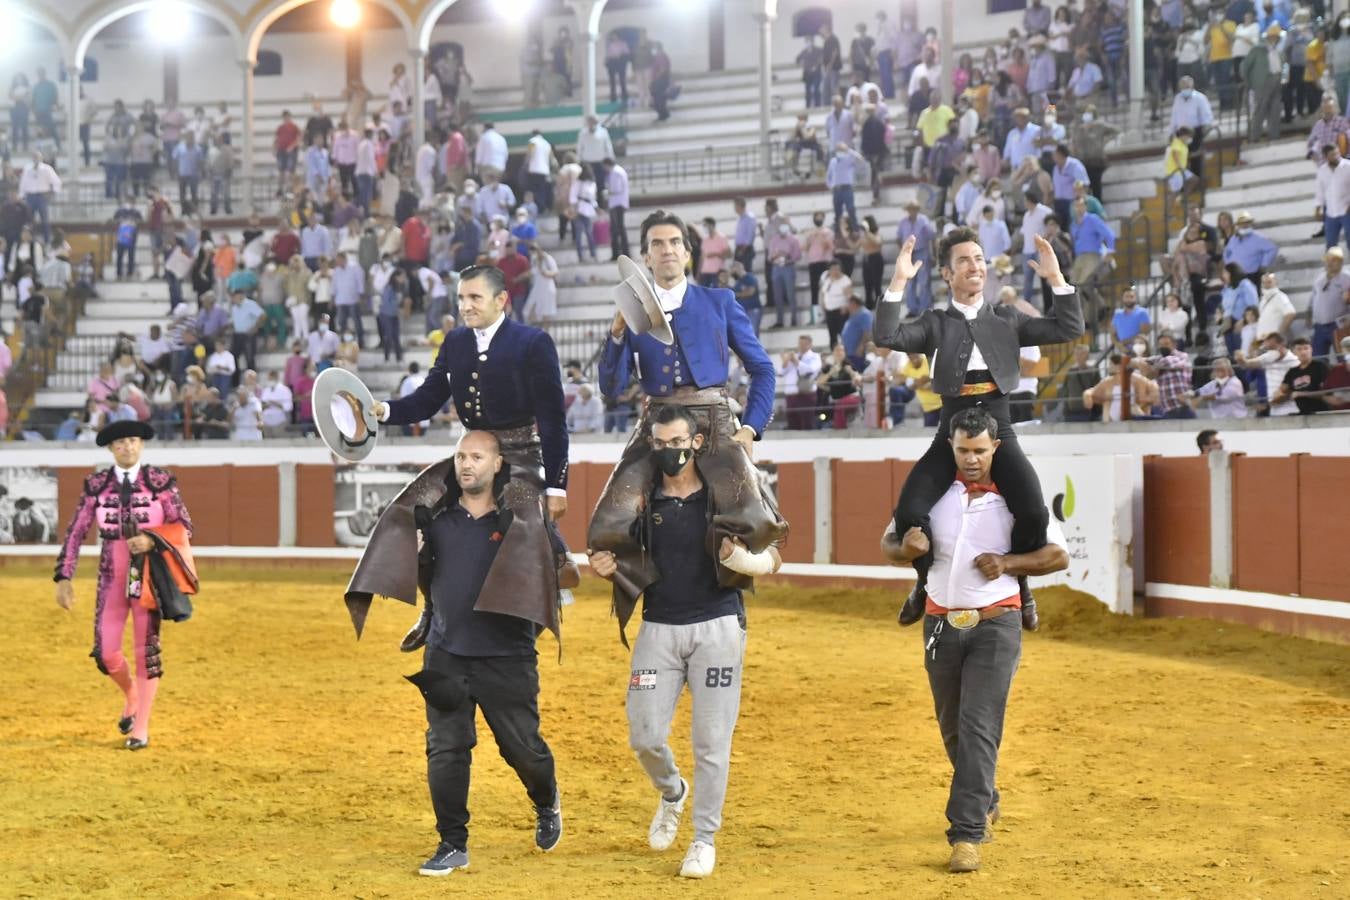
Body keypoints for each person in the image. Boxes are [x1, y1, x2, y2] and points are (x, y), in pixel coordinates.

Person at [589, 405, 782, 879]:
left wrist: (748, 562)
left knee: (712, 742)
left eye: (678, 442)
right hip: (659, 630)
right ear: (650, 444)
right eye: (660, 444)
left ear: (696, 442)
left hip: (718, 627)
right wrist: (607, 569)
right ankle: (673, 791)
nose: (670, 451)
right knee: (645, 734)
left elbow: (776, 548)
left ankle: (703, 838)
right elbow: (615, 551)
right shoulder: (641, 498)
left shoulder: (728, 494)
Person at [882, 407, 1069, 874]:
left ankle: (966, 833)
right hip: (940, 624)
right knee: (953, 728)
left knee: (978, 725)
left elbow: (1057, 555)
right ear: (950, 447)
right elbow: (889, 543)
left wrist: (1008, 564)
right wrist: (905, 551)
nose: (971, 459)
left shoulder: (1019, 496)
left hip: (996, 622)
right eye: (963, 450)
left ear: (995, 448)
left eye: (980, 451)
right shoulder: (929, 496)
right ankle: (986, 796)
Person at [591, 210, 787, 641]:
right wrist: (619, 332)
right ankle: (634, 580)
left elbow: (762, 369)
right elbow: (611, 386)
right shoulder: (632, 314)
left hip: (713, 416)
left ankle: (755, 562)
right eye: (657, 244)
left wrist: (751, 428)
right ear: (645, 256)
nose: (667, 250)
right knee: (613, 510)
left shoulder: (720, 302)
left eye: (674, 242)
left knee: (750, 504)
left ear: (687, 252)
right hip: (658, 420)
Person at [357, 265, 573, 653]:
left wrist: (557, 485)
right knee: (410, 510)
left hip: (519, 454)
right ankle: (432, 606)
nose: (465, 306)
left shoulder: (532, 342)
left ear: (501, 299)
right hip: (470, 453)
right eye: (461, 298)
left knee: (525, 520)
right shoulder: (455, 342)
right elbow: (427, 399)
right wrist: (385, 411)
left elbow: (553, 420)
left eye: (474, 297)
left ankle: (549, 582)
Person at [876, 228, 1082, 632]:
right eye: (965, 261)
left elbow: (1068, 329)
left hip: (1000, 429)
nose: (975, 266)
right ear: (946, 275)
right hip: (949, 433)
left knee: (1033, 512)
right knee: (909, 513)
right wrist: (899, 280)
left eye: (980, 259)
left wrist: (1056, 279)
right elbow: (886, 335)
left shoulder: (1007, 318)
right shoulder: (935, 323)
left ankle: (1020, 585)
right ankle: (923, 582)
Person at [404, 430, 566, 876]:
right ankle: (452, 843)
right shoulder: (434, 519)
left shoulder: (523, 519)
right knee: (445, 749)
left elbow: (561, 571)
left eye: (477, 456)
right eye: (460, 456)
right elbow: (415, 571)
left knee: (522, 749)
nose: (466, 464)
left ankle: (545, 798)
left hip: (507, 655)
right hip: (445, 652)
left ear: (497, 465)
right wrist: (411, 555)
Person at [53, 420, 195, 750]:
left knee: (147, 651)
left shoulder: (160, 481)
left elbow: (184, 525)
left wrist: (151, 539)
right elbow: (76, 530)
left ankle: (140, 728)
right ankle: (131, 693)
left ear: (141, 444)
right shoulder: (97, 484)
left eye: (132, 441)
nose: (127, 447)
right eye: (120, 443)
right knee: (105, 651)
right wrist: (64, 575)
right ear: (111, 449)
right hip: (110, 574)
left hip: (150, 576)